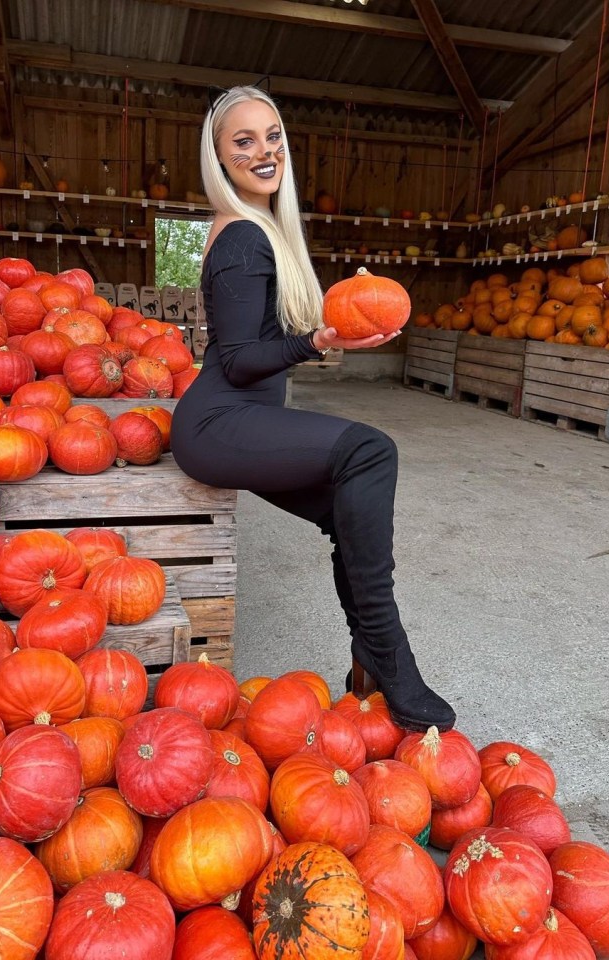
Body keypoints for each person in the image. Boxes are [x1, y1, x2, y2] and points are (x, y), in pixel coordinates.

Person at [170, 85, 455, 732]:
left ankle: (369, 664)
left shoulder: (262, 228)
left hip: (237, 414)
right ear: (218, 157)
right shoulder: (244, 236)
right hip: (219, 420)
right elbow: (240, 360)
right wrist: (322, 340)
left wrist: (325, 339)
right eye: (243, 141)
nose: (264, 151)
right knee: (370, 451)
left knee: (343, 510)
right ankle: (392, 659)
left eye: (272, 136)